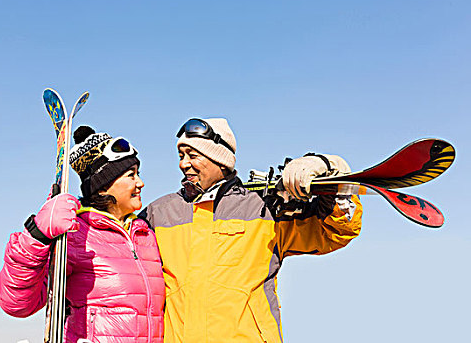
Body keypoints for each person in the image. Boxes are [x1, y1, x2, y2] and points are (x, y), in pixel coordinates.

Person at [140, 117, 363, 343]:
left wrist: (330, 175)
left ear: (220, 160)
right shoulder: (159, 214)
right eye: (181, 156)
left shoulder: (264, 209)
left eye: (193, 155)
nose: (183, 163)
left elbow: (333, 232)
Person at [0, 126, 165, 343]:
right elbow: (17, 304)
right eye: (131, 175)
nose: (140, 183)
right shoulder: (77, 234)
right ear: (103, 186)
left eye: (139, 174)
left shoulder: (146, 235)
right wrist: (37, 235)